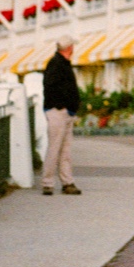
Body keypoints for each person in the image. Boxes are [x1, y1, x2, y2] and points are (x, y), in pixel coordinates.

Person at [41, 41, 82, 195]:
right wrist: (61, 106)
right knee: (56, 147)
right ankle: (48, 182)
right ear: (70, 47)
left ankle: (67, 182)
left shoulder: (61, 62)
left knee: (64, 149)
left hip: (66, 111)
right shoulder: (57, 63)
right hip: (59, 112)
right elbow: (50, 86)